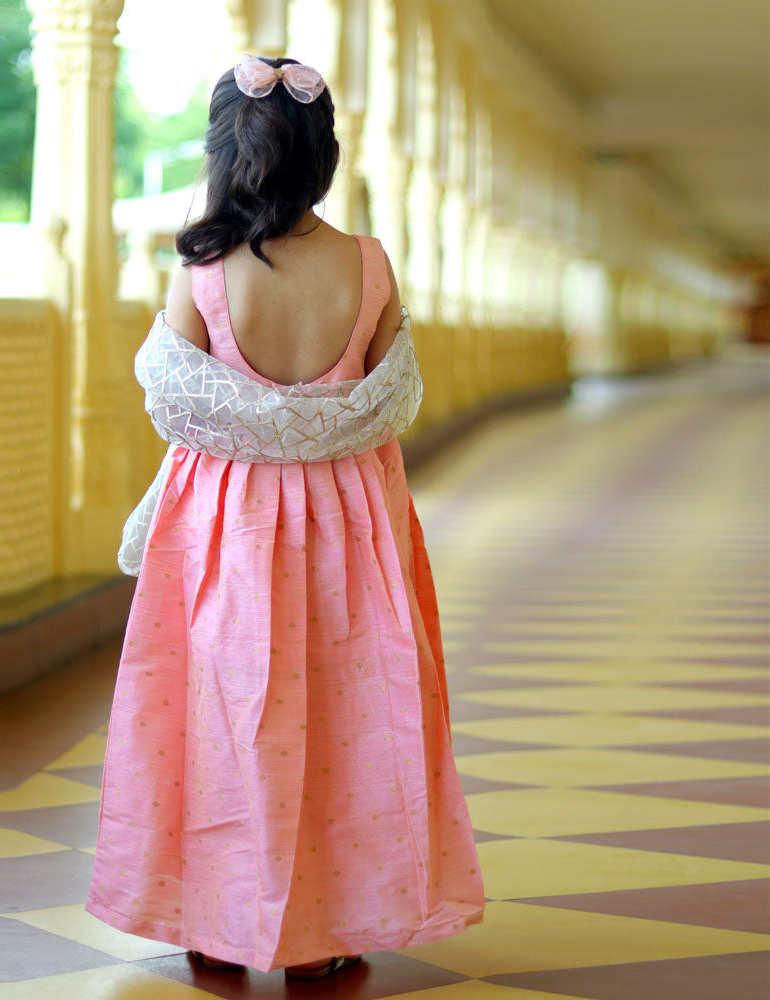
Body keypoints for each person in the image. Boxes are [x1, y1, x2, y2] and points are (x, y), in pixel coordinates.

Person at [86, 53, 485, 981]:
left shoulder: (203, 267)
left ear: (224, 151)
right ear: (323, 152)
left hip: (227, 526)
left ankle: (216, 920)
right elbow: (389, 398)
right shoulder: (368, 264)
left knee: (218, 717)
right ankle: (326, 933)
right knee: (350, 715)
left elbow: (175, 404)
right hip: (350, 523)